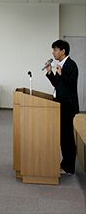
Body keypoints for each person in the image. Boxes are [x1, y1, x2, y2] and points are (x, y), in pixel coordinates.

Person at [46, 40, 79, 175]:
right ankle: (64, 163)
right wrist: (50, 73)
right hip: (60, 104)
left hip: (68, 106)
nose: (53, 52)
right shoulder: (61, 65)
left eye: (55, 50)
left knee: (68, 137)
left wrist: (61, 74)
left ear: (63, 51)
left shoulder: (71, 65)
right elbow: (58, 85)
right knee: (63, 136)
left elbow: (71, 84)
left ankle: (69, 167)